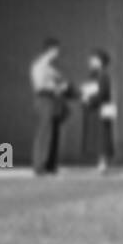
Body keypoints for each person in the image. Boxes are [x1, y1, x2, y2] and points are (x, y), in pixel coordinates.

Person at [30, 39, 72, 176]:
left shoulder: (51, 68)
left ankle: (51, 164)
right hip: (44, 99)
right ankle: (39, 165)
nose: (58, 54)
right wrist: (58, 87)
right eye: (56, 50)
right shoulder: (39, 66)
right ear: (50, 50)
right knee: (44, 132)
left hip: (54, 101)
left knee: (54, 133)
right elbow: (40, 85)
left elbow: (62, 81)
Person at [80, 50, 115, 173]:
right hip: (95, 109)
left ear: (100, 62)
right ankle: (100, 162)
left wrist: (88, 99)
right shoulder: (93, 75)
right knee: (97, 136)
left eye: (93, 59)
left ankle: (103, 163)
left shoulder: (103, 75)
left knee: (102, 136)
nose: (90, 62)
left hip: (101, 109)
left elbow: (102, 93)